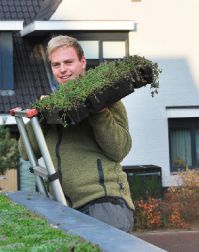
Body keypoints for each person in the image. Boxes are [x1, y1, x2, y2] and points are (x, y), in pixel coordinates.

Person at [18, 35, 134, 232]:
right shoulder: (53, 106)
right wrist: (43, 115)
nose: (62, 69)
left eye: (68, 62)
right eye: (56, 64)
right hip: (63, 207)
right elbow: (25, 152)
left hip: (103, 204)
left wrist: (100, 111)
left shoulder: (108, 99)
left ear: (82, 63)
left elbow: (119, 149)